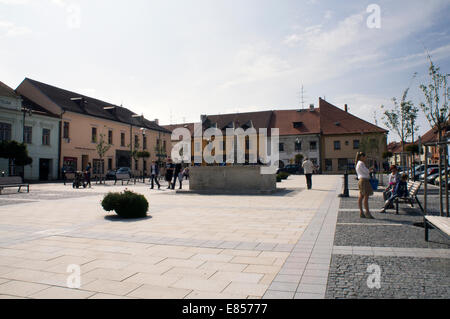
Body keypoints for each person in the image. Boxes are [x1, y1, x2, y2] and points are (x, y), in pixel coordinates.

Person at [355, 152, 374, 219]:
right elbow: (366, 171)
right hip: (364, 180)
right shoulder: (361, 163)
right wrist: (370, 169)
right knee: (366, 197)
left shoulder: (358, 163)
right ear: (361, 157)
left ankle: (361, 212)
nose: (365, 158)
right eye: (365, 157)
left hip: (361, 180)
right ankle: (367, 212)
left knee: (361, 197)